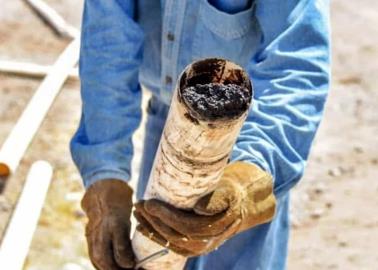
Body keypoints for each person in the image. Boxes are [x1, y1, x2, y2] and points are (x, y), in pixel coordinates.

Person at [70, 0, 330, 269]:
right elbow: (107, 40)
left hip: (249, 137)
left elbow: (295, 61)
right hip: (166, 124)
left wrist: (249, 178)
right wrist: (105, 174)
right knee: (154, 253)